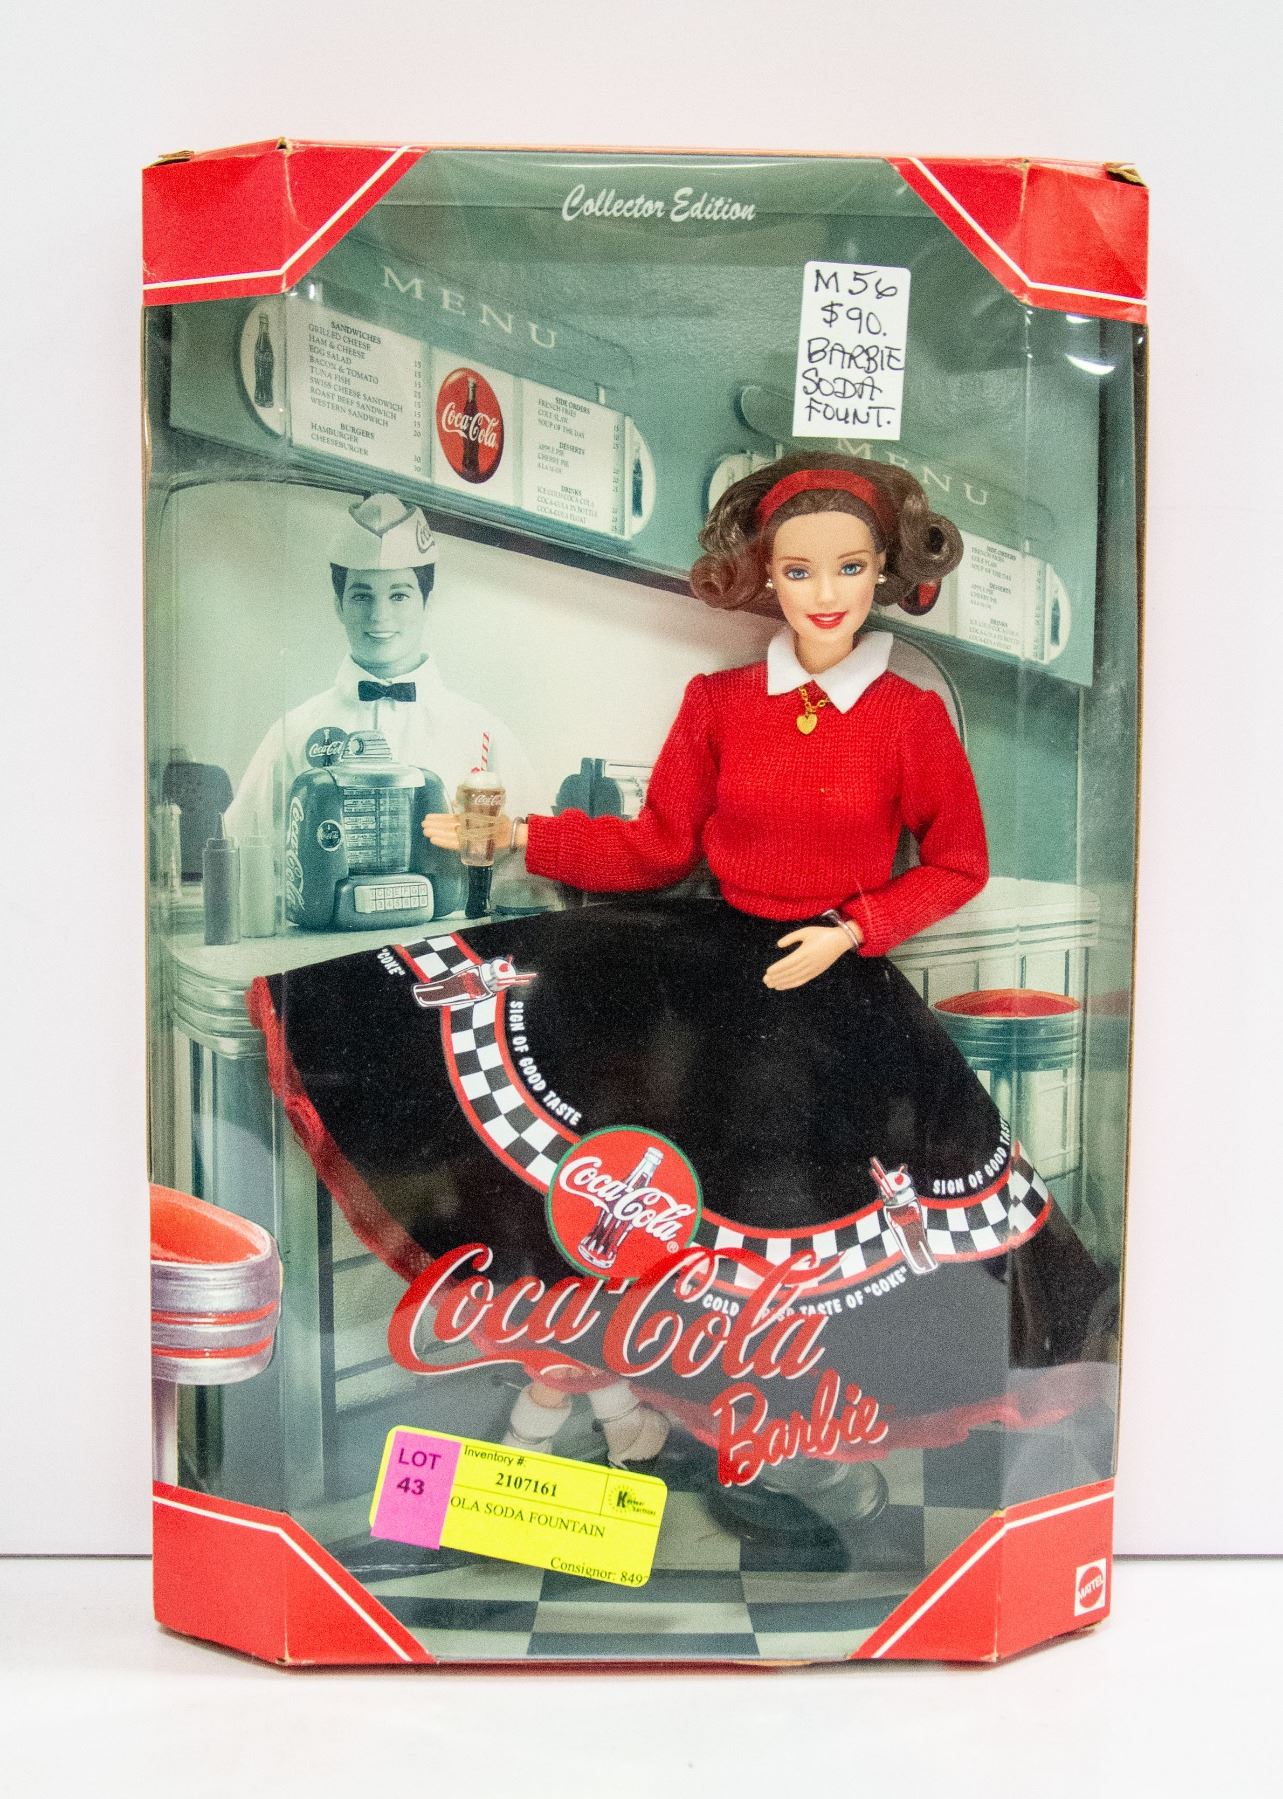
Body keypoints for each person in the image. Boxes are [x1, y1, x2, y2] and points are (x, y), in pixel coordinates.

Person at [251, 454, 1112, 1567]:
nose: (824, 592)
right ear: (765, 576)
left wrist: (855, 926)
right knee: (665, 1217)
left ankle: (784, 1450)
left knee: (805, 1244)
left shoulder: (906, 717)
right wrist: (523, 836)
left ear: (883, 572)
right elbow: (655, 847)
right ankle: (655, 1435)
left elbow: (958, 862)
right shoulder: (719, 702)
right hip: (710, 988)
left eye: (849, 567)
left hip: (841, 1012)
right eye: (798, 570)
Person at [224, 492, 539, 871]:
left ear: (427, 602)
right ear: (338, 605)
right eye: (361, 596)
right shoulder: (292, 733)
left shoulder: (483, 734)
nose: (379, 615)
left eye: (399, 595)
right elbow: (238, 853)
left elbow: (532, 869)